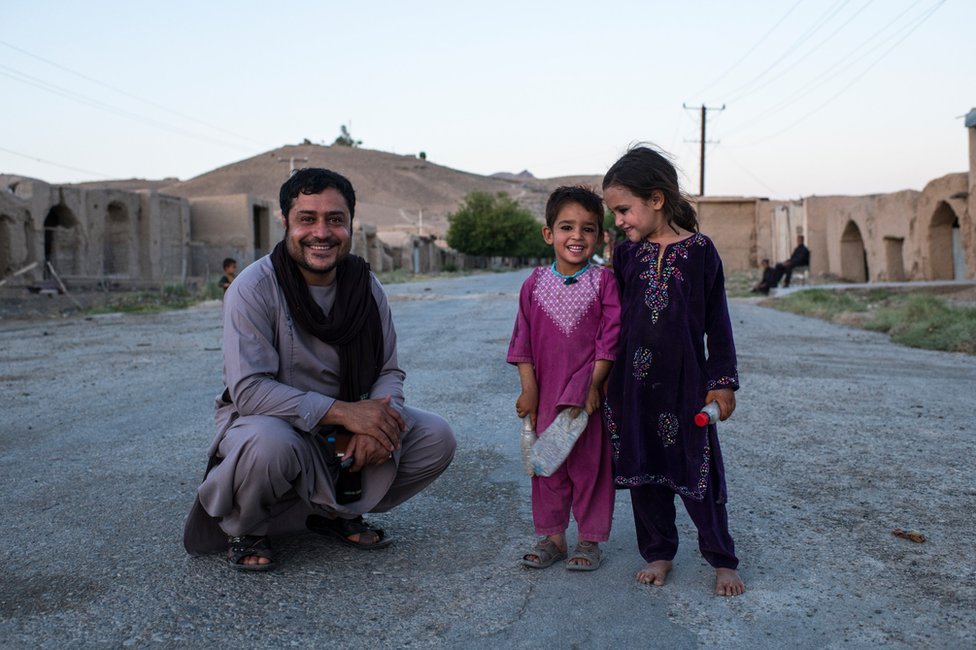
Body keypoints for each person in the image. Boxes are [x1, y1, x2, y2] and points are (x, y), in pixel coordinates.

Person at [183, 168, 456, 571]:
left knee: (436, 436)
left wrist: (383, 418)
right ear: (286, 223)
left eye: (335, 219)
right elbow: (251, 392)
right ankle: (249, 526)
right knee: (269, 445)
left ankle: (332, 513)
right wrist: (350, 413)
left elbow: (388, 371)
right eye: (307, 219)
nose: (321, 232)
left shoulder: (366, 286)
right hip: (272, 423)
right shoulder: (253, 287)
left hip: (339, 432)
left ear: (350, 224)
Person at [602, 146, 745, 596]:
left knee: (699, 471)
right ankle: (658, 553)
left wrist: (722, 381)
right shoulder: (626, 256)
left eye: (624, 209)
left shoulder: (700, 252)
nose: (619, 220)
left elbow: (717, 323)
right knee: (644, 474)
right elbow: (610, 320)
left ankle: (721, 559)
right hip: (632, 387)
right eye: (615, 212)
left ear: (657, 199)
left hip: (686, 386)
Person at [507, 186, 621, 571]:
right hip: (546, 393)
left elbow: (610, 339)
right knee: (547, 466)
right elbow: (522, 339)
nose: (577, 236)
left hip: (586, 397)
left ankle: (589, 540)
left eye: (588, 229)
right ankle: (553, 537)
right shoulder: (534, 284)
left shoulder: (603, 282)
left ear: (600, 236)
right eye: (566, 227)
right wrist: (528, 388)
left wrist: (593, 385)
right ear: (548, 234)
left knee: (590, 468)